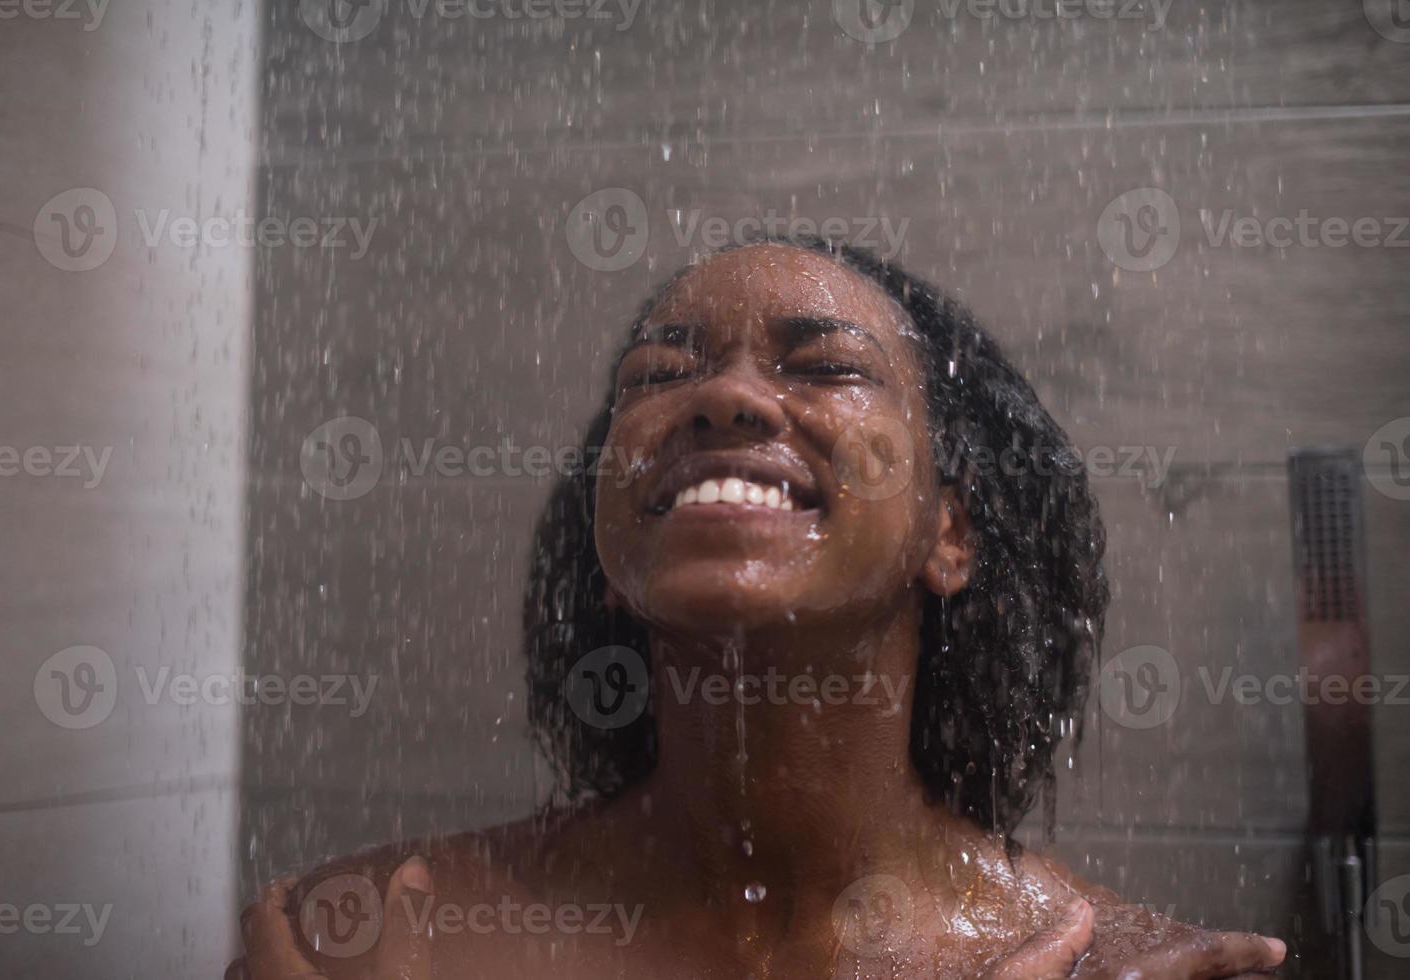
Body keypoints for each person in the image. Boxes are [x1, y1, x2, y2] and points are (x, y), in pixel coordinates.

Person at [228, 239, 1289, 978]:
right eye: (659, 372)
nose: (722, 397)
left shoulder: (1131, 970)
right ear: (609, 547)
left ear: (948, 532)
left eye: (825, 365)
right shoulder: (358, 940)